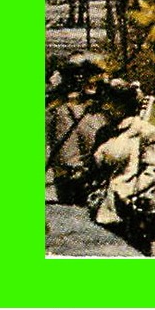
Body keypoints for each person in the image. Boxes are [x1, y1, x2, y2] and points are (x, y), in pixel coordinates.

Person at [88, 79, 155, 256]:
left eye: (109, 102)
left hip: (128, 212)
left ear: (124, 104)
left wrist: (130, 194)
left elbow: (153, 170)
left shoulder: (144, 131)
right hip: (99, 208)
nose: (104, 107)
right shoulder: (104, 132)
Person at [45, 54, 107, 206]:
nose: (94, 82)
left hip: (100, 182)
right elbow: (67, 156)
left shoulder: (100, 108)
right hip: (77, 183)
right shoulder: (63, 111)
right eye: (89, 76)